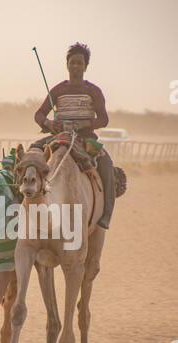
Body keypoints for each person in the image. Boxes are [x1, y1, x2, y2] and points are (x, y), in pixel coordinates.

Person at [30, 42, 115, 230]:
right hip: (59, 137)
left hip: (85, 139)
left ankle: (106, 213)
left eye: (79, 63)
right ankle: (21, 202)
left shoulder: (93, 91)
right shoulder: (58, 90)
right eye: (72, 62)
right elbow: (39, 114)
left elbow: (104, 119)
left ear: (86, 66)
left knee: (106, 165)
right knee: (32, 152)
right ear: (66, 64)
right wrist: (49, 123)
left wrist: (84, 124)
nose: (76, 66)